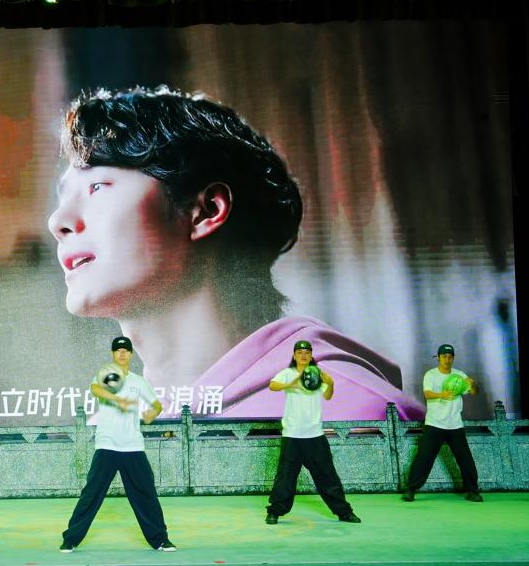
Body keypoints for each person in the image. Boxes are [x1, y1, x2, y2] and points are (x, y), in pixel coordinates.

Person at [46, 86, 424, 421]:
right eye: (64, 196)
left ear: (206, 211)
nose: (58, 221)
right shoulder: (109, 431)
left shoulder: (357, 417)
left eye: (97, 187)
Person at [60, 337, 176, 552]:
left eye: (126, 350)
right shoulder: (107, 375)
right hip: (107, 445)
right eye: (118, 350)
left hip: (133, 446)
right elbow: (95, 389)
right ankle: (71, 539)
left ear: (131, 354)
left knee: (146, 494)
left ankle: (160, 539)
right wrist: (117, 400)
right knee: (91, 494)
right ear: (113, 354)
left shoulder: (139, 381)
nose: (122, 354)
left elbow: (157, 404)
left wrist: (152, 413)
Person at [265, 340, 361, 525]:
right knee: (285, 476)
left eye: (307, 352)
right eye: (300, 352)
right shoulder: (287, 373)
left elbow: (328, 396)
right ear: (294, 355)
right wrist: (290, 384)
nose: (303, 355)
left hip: (315, 435)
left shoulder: (318, 374)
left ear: (311, 356)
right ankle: (275, 511)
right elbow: (272, 385)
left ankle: (344, 512)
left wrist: (331, 384)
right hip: (292, 434)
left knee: (327, 476)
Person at [402, 344, 482, 502]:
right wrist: (441, 395)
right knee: (424, 457)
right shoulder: (431, 374)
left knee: (465, 459)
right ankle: (411, 489)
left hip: (455, 424)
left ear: (453, 358)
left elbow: (474, 392)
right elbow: (427, 394)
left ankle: (472, 491)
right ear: (438, 357)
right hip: (434, 423)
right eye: (444, 356)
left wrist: (472, 384)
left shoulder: (459, 375)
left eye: (450, 357)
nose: (447, 359)